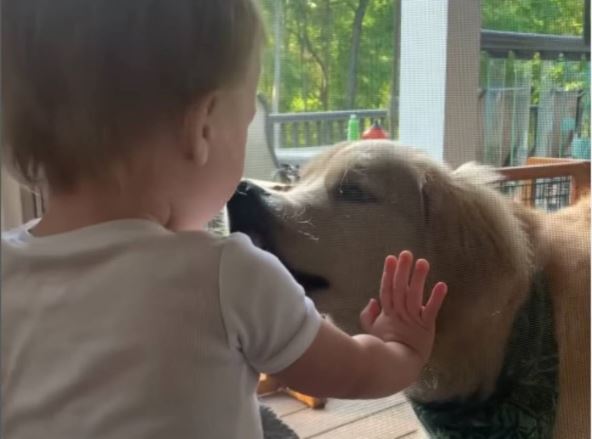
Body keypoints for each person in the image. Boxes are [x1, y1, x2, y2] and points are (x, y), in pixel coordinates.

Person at [0, 1, 448, 438]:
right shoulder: (227, 274)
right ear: (203, 128)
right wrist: (401, 349)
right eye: (247, 120)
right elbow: (354, 372)